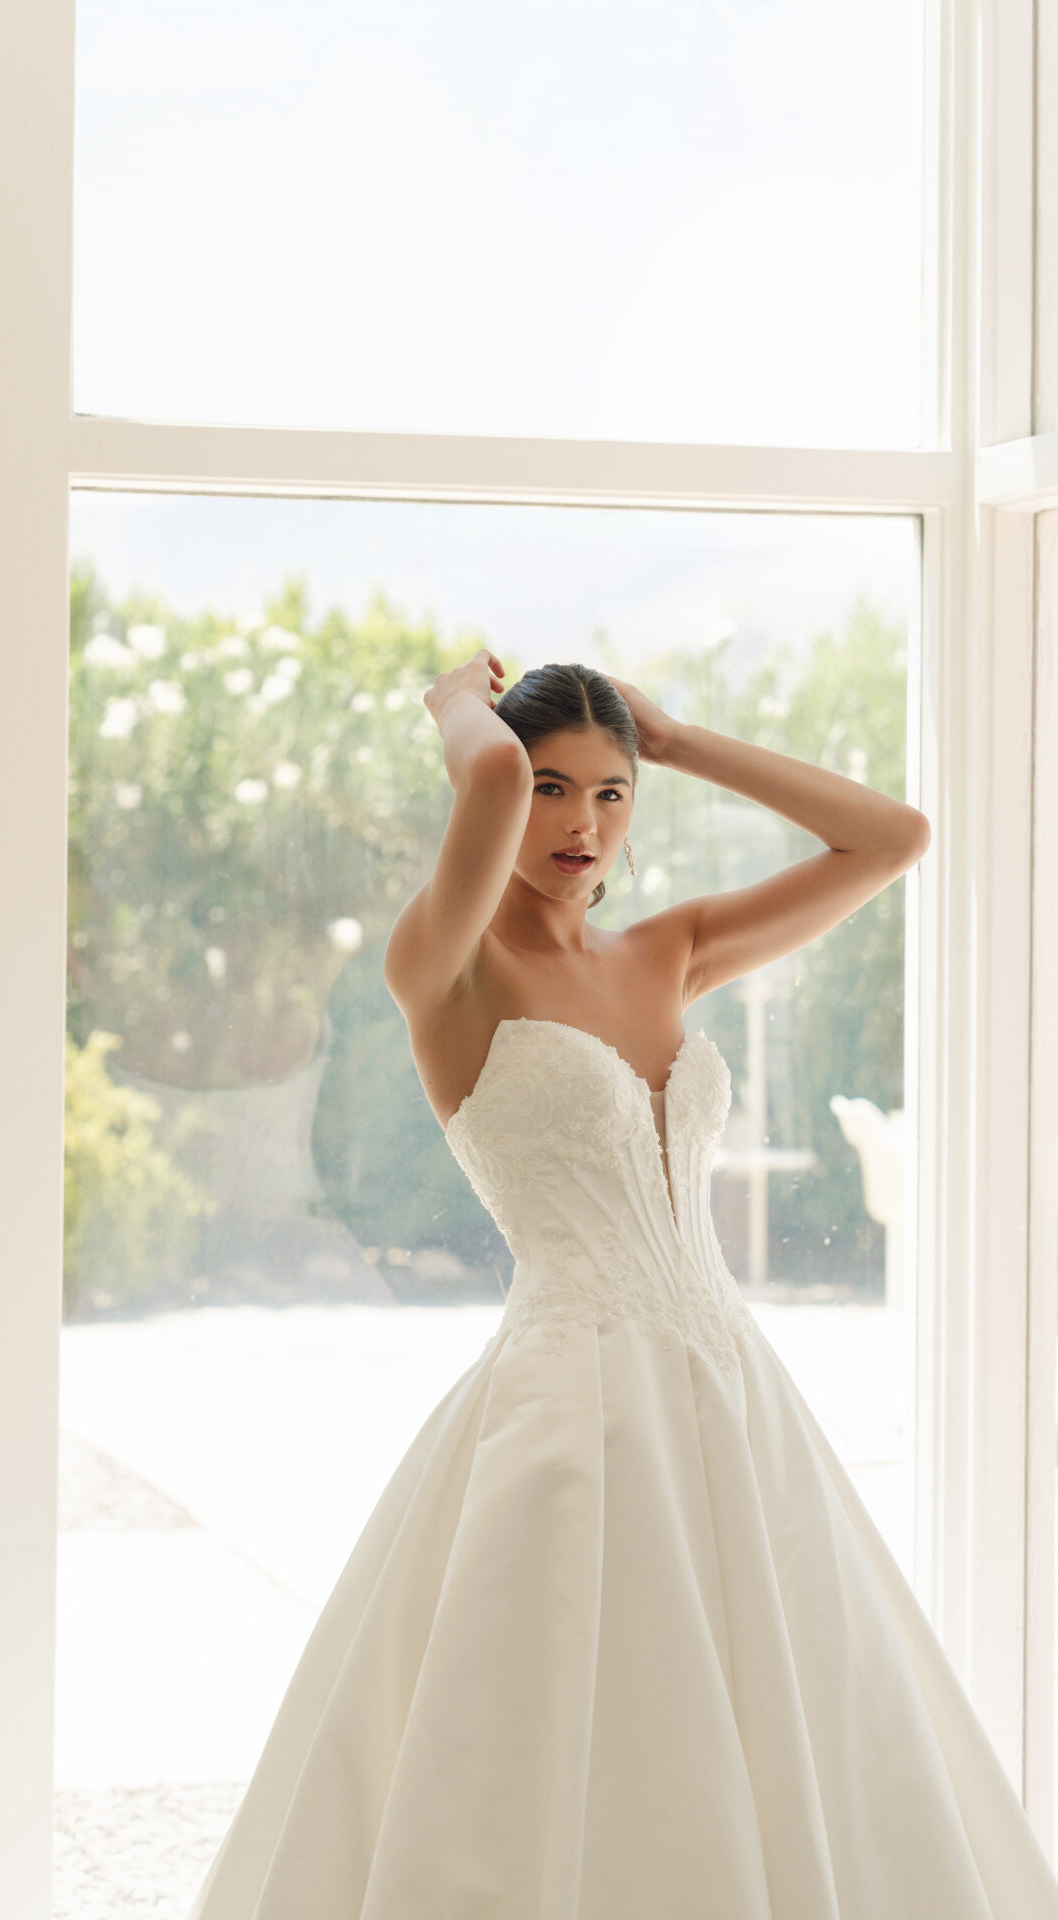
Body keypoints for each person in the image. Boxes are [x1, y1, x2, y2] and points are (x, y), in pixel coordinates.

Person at [187, 651, 1058, 1918]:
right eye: (550, 790)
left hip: (730, 1395)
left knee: (785, 1724)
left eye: (609, 794)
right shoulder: (445, 968)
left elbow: (890, 837)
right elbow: (482, 767)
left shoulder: (672, 951)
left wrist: (676, 736)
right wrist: (449, 700)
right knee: (559, 1741)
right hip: (570, 1404)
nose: (579, 824)